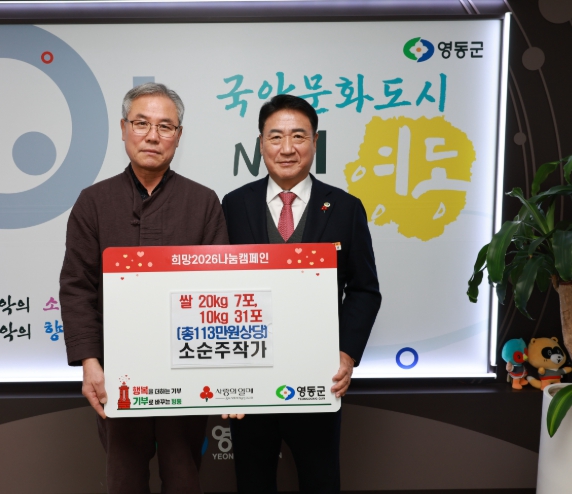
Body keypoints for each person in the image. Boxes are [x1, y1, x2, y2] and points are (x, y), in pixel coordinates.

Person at [59, 82, 229, 494]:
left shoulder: (203, 202)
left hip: (187, 368)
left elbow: (220, 291)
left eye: (165, 126)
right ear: (123, 128)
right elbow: (77, 287)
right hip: (117, 371)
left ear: (178, 136)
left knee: (184, 476)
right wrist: (90, 362)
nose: (152, 136)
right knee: (124, 478)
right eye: (141, 123)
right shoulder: (93, 202)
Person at [221, 94, 381, 494]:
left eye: (298, 136)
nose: (287, 148)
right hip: (249, 378)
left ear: (315, 142)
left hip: (318, 377)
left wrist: (346, 354)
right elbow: (217, 290)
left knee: (321, 480)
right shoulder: (234, 205)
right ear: (261, 144)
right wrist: (221, 374)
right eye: (276, 137)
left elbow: (364, 289)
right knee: (252, 483)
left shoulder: (345, 207)